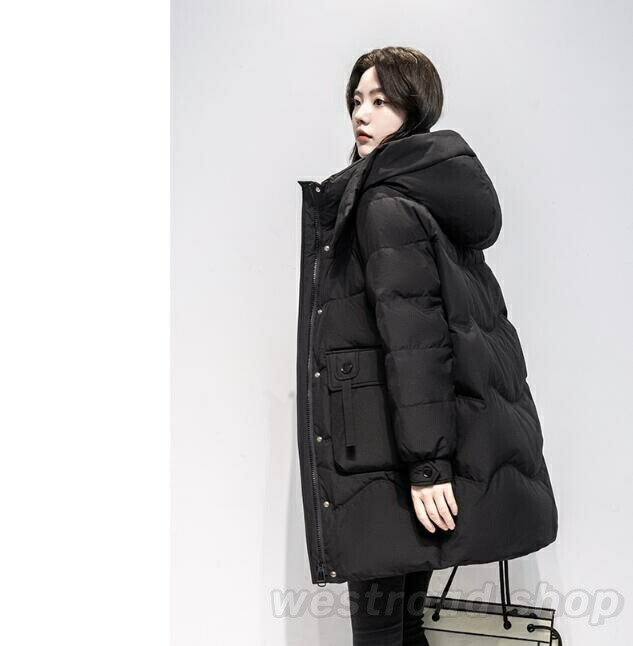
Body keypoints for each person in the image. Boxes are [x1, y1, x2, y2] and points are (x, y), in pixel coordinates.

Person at [295, 46, 558, 646]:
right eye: (357, 100)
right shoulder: (422, 197)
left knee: (381, 631)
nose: (362, 114)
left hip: (385, 452)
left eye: (380, 100)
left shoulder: (384, 205)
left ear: (413, 110)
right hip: (396, 442)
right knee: (405, 624)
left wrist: (428, 465)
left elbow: (416, 343)